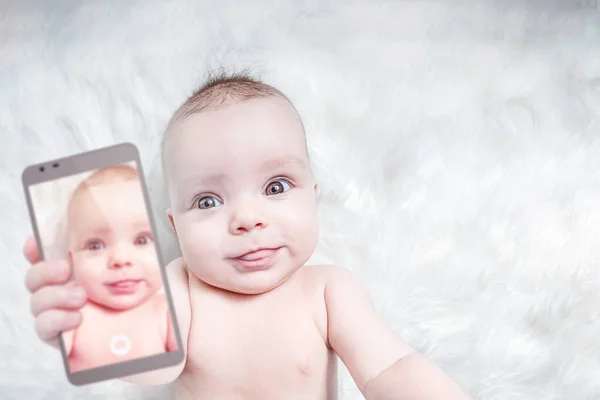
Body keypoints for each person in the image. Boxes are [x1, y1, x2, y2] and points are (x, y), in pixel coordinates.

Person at [24, 71, 472, 399]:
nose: (247, 219)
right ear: (174, 225)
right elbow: (147, 361)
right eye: (208, 201)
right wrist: (83, 324)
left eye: (276, 187)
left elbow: (390, 367)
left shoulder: (327, 291)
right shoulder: (181, 285)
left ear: (312, 198)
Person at [50, 165, 176, 372]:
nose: (120, 259)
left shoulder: (166, 312)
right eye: (95, 245)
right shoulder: (74, 314)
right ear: (72, 260)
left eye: (142, 239)